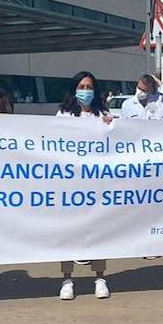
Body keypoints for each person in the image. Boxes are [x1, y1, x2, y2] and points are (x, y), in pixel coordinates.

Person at [56, 71, 112, 300]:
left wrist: (111, 126)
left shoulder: (103, 114)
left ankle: (100, 277)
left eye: (89, 86)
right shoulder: (64, 115)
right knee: (68, 230)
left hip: (96, 182)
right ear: (74, 89)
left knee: (98, 229)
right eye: (81, 86)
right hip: (71, 182)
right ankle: (67, 279)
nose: (85, 90)